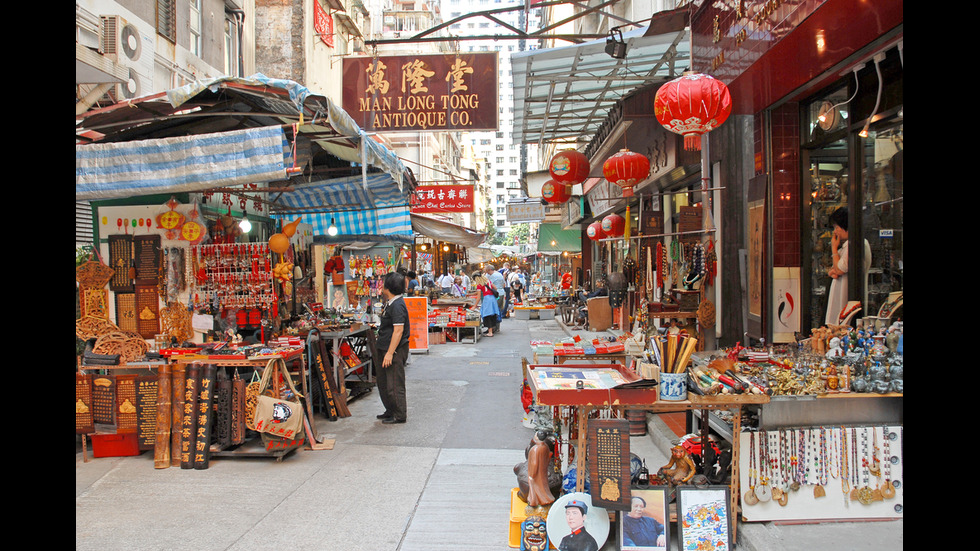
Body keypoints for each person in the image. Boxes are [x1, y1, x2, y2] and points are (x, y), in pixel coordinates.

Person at [825, 207, 872, 326]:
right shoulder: (848, 246)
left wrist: (834, 249)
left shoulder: (855, 245)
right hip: (841, 292)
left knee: (845, 323)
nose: (835, 232)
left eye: (836, 227)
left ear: (845, 226)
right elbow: (833, 270)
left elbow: (840, 269)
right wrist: (834, 270)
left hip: (848, 294)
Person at [375, 272, 409, 424]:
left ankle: (399, 414)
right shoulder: (391, 302)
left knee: (394, 383)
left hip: (394, 350)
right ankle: (390, 409)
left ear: (389, 287)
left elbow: (398, 331)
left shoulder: (398, 305)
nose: (382, 285)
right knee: (384, 382)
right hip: (385, 347)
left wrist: (389, 353)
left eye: (384, 283)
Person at [472, 271, 500, 337]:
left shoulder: (479, 285)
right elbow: (495, 288)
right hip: (493, 299)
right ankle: (492, 329)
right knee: (492, 314)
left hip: (487, 299)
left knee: (487, 315)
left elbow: (478, 297)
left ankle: (490, 332)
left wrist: (474, 306)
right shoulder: (488, 281)